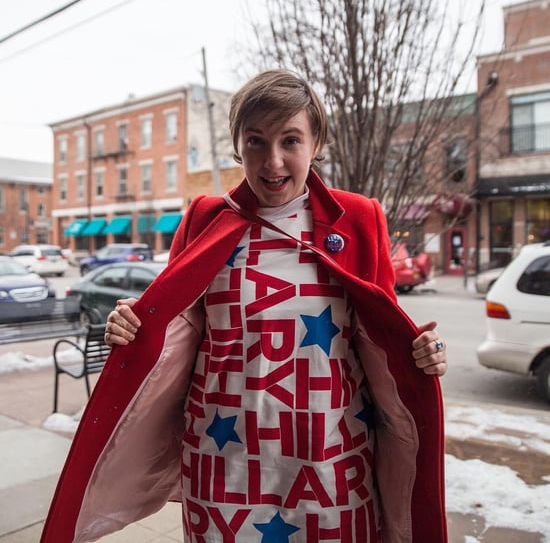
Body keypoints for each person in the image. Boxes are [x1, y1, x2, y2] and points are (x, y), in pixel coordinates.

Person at [41, 69, 448, 543]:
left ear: (316, 143)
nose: (272, 161)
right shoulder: (203, 219)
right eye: (256, 141)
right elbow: (173, 327)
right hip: (223, 462)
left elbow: (383, 336)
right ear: (238, 146)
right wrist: (131, 325)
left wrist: (423, 350)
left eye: (290, 140)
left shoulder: (358, 218)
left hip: (330, 460)